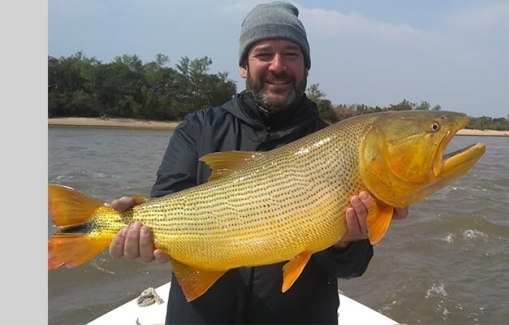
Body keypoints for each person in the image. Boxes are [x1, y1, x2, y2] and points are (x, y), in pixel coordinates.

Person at [107, 2, 409, 324]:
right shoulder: (198, 128)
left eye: (291, 54)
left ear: (306, 66)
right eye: (263, 54)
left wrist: (346, 242)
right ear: (244, 66)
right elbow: (166, 204)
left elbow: (353, 268)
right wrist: (137, 228)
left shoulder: (340, 145)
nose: (277, 66)